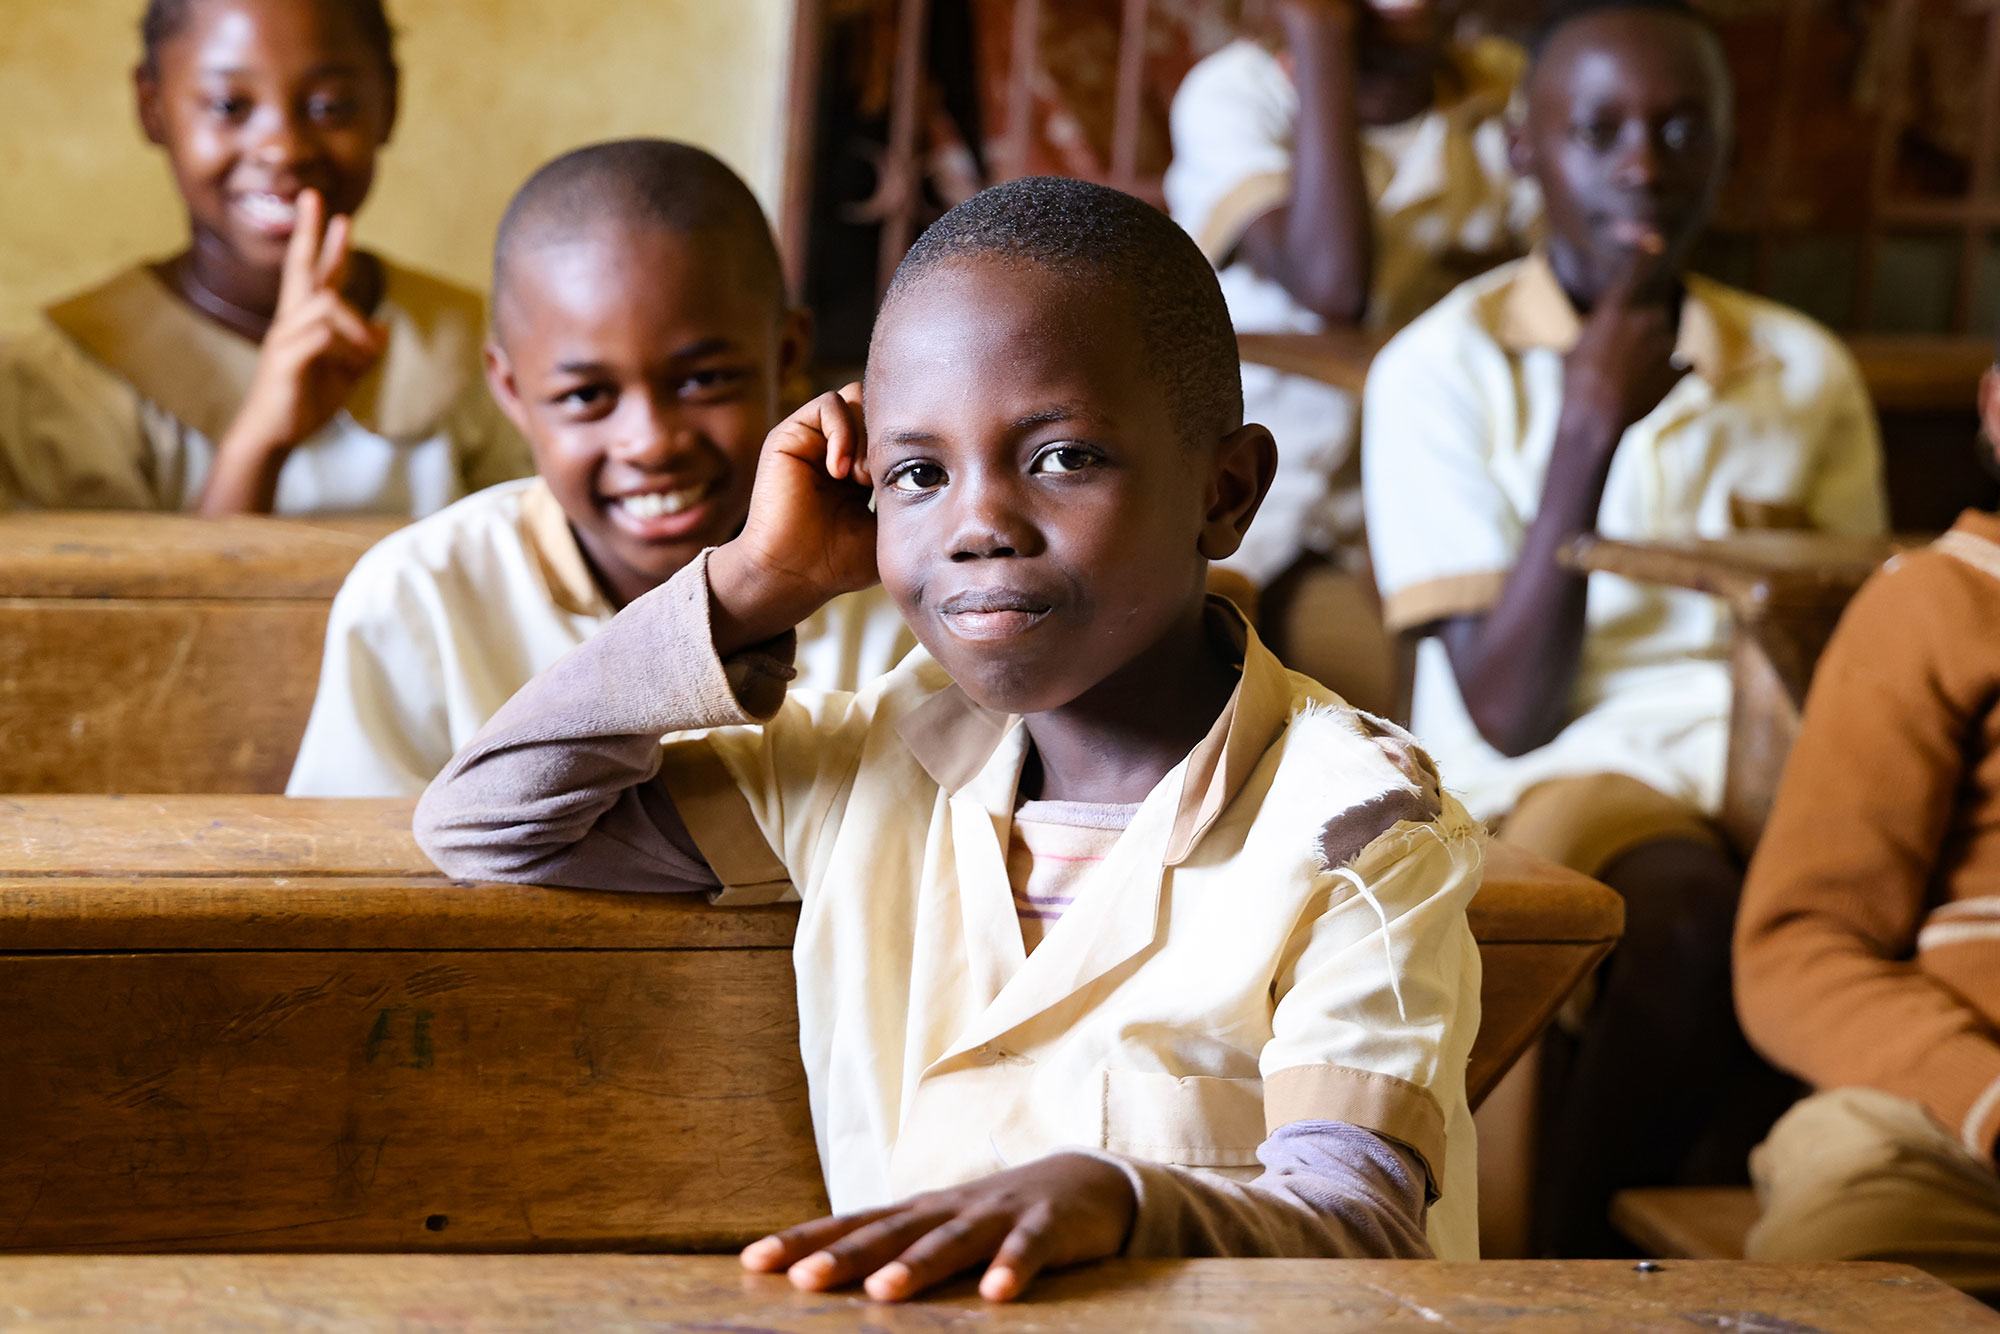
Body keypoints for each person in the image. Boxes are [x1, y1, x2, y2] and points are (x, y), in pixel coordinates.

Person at [416, 177, 1487, 1299]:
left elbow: (1358, 1230)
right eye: (916, 474)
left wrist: (1123, 1201)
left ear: (1224, 492)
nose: (976, 524)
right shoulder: (862, 768)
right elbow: (487, 820)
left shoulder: (1355, 829)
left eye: (1061, 457)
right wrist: (749, 583)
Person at [1360, 0, 1886, 1254]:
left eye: (1678, 127)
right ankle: (1570, 1258)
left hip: (1777, 768)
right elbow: (1505, 705)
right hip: (1551, 775)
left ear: (1722, 148)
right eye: (1596, 130)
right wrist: (1586, 430)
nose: (1642, 163)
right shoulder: (1442, 367)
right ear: (1525, 152)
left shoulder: (1800, 369)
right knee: (1689, 916)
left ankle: (1827, 1230)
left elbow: (1851, 645)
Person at [286, 140, 914, 796]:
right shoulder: (423, 597)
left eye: (704, 380)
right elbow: (357, 877)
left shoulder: (888, 584)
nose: (650, 443)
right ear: (509, 389)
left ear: (785, 358)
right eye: (587, 396)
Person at [0, 0, 527, 515]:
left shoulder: (481, 347)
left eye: (330, 105)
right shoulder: (64, 380)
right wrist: (260, 441)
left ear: (389, 103)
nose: (284, 147)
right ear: (152, 105)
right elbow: (114, 602)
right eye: (230, 106)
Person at [1734, 366, 2000, 1301]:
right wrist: (1985, 1096)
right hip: (1946, 1126)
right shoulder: (1937, 604)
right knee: (1846, 1259)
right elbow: (1798, 951)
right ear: (1996, 410)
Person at [1163, 0, 1538, 589]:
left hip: (1432, 470)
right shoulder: (1237, 92)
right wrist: (1320, 40)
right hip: (1259, 473)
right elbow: (1331, 285)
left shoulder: (1498, 85)